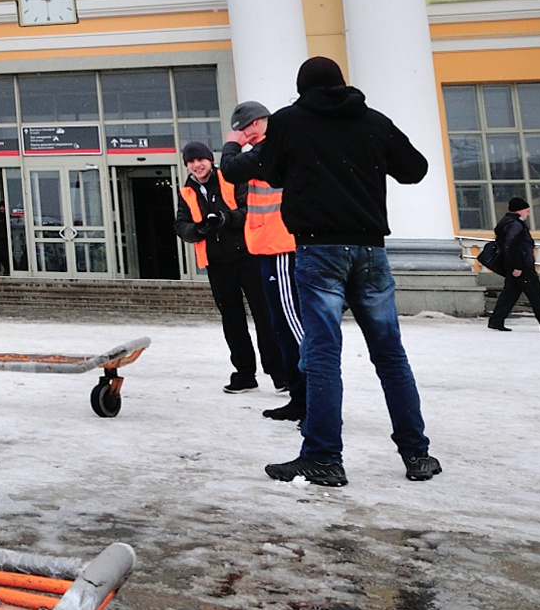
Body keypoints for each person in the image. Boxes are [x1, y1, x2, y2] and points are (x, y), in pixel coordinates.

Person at [225, 56, 438, 487]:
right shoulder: (373, 121)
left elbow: (260, 170)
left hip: (319, 250)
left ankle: (323, 457)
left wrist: (243, 147)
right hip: (370, 251)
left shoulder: (291, 122)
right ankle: (417, 453)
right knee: (390, 354)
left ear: (302, 89)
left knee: (322, 353)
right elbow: (415, 169)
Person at [222, 102, 305, 422]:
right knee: (280, 328)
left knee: (292, 325)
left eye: (242, 128)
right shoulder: (264, 150)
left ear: (256, 124)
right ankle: (298, 396)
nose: (240, 134)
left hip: (282, 246)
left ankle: (311, 396)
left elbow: (228, 168)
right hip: (267, 247)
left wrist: (231, 143)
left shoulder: (272, 149)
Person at [175, 141, 261, 392]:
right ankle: (245, 374)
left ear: (210, 160)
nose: (196, 165)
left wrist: (227, 219)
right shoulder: (187, 191)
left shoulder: (230, 179)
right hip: (216, 263)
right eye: (190, 162)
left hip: (248, 256)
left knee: (265, 316)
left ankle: (280, 373)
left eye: (200, 159)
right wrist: (198, 229)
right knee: (232, 321)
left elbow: (250, 210)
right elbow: (181, 225)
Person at [481, 196, 540, 334]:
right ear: (520, 211)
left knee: (509, 295)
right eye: (527, 210)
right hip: (522, 267)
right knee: (536, 296)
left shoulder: (509, 223)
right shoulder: (515, 225)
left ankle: (496, 321)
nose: (528, 213)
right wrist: (517, 267)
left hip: (516, 267)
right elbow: (511, 246)